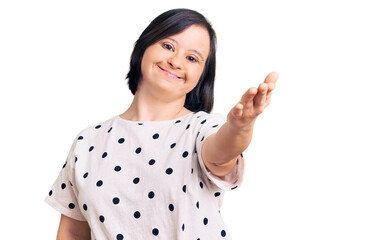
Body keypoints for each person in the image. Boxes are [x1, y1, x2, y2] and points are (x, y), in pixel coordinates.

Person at [44, 8, 278, 240]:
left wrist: (240, 127)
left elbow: (221, 155)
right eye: (168, 46)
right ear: (143, 47)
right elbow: (73, 233)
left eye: (192, 58)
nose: (176, 61)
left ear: (202, 76)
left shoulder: (202, 129)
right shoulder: (88, 141)